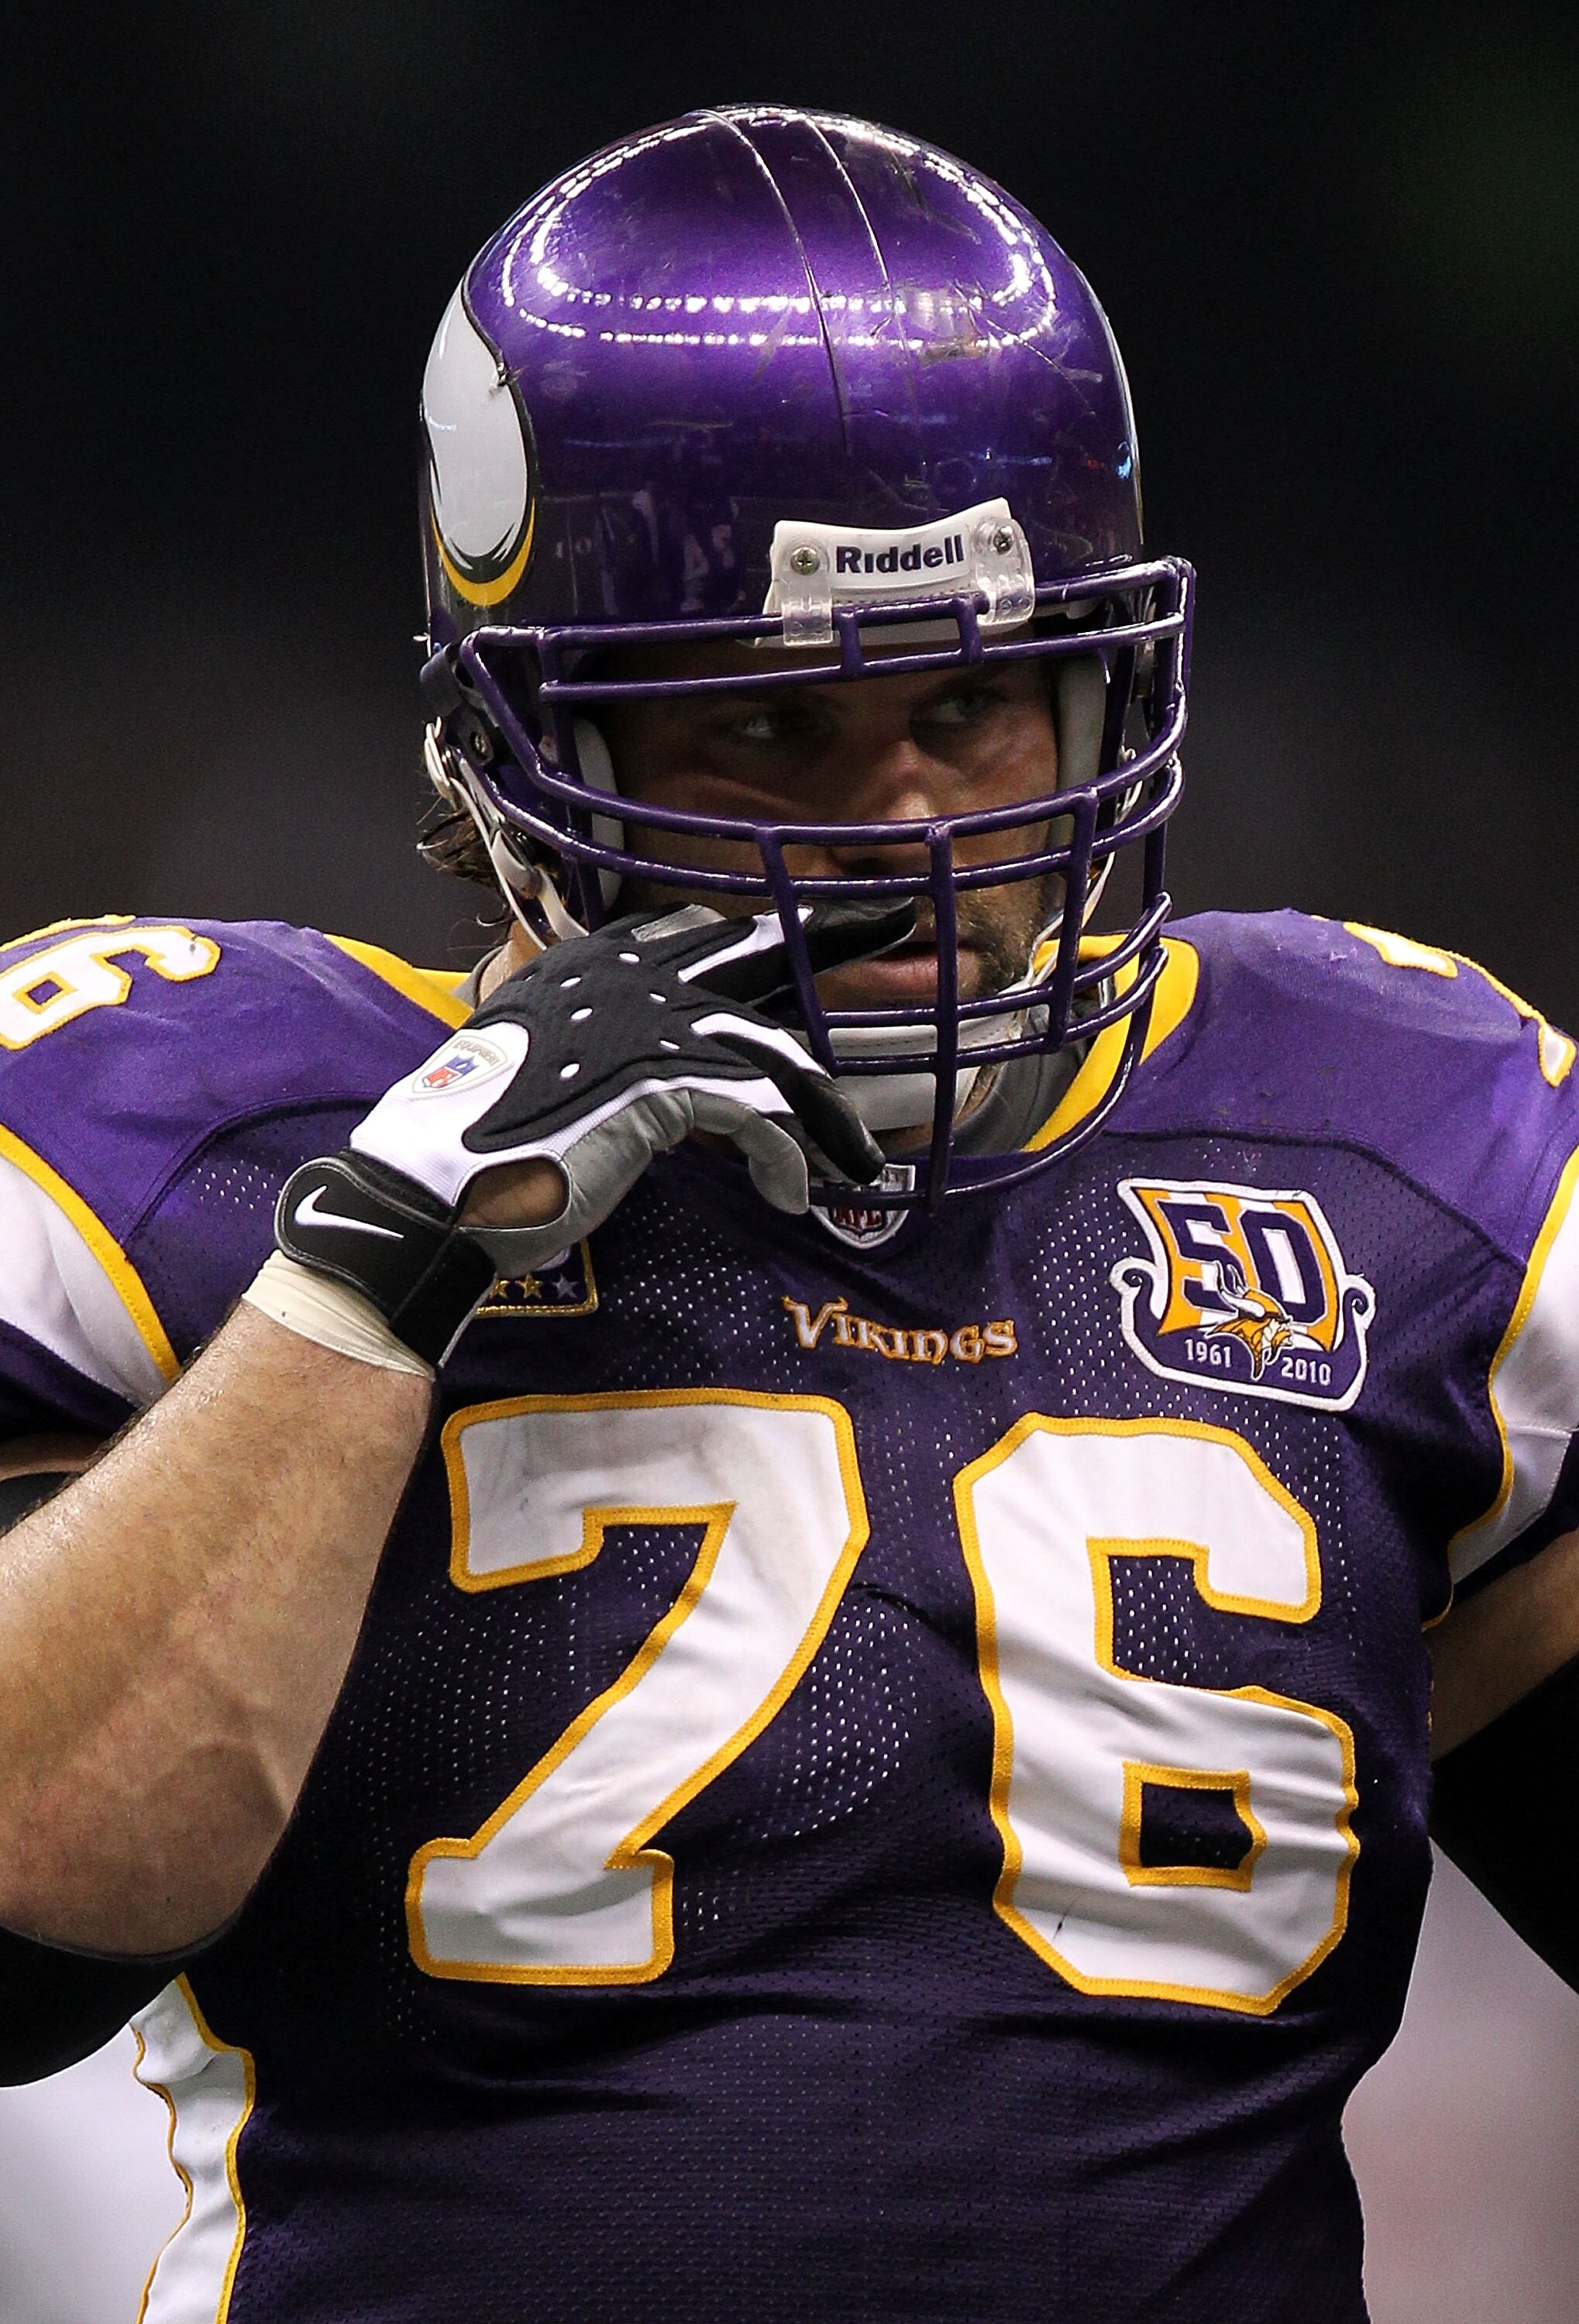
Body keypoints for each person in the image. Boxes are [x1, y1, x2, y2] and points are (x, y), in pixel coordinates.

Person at [0, 102, 1575, 2323]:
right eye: (770, 730)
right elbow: (26, 1914)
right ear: (522, 744)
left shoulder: (1392, 1137)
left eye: (973, 703)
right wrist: (372, 1273)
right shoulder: (206, 1129)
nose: (904, 826)